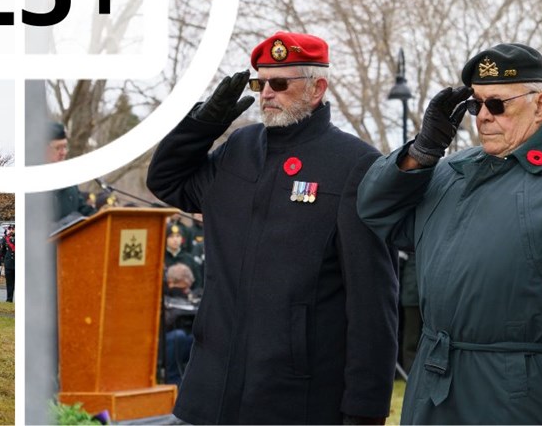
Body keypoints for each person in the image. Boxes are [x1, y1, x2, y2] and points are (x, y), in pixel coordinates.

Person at [357, 42, 542, 423]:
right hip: (433, 390)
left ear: (540, 104)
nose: (484, 116)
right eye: (475, 105)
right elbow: (376, 211)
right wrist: (422, 152)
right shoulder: (453, 170)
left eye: (498, 104)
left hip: (514, 396)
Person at [145, 30, 398, 424]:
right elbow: (166, 181)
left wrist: (364, 412)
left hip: (295, 395)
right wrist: (204, 122)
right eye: (258, 82)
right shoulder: (239, 147)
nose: (266, 93)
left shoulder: (354, 163)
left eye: (279, 83)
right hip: (210, 388)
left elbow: (372, 303)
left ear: (317, 89)